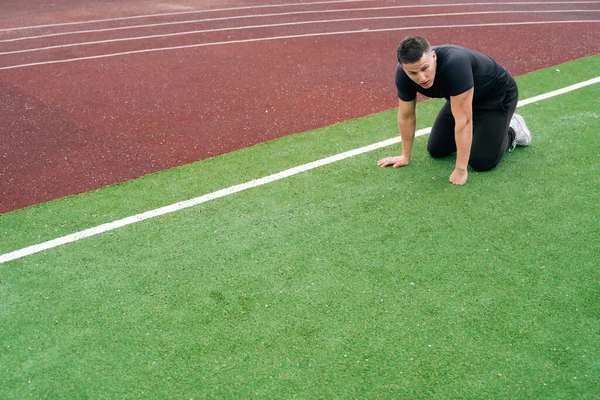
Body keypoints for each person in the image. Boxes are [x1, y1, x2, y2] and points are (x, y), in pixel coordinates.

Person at [377, 36, 531, 185]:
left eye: (425, 68)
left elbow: (463, 121)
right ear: (404, 69)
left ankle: (513, 129)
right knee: (437, 149)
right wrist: (405, 156)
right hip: (460, 99)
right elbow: (406, 116)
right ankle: (486, 130)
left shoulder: (455, 64)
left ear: (434, 56)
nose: (422, 78)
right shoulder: (403, 75)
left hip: (495, 96)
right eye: (413, 73)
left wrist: (460, 169)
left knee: (481, 161)